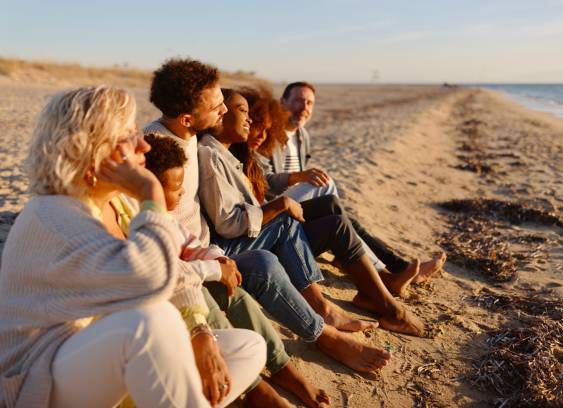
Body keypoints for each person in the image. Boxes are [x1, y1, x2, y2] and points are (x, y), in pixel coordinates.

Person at [0, 86, 265, 408]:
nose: (143, 144)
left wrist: (200, 333)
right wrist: (151, 193)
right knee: (150, 321)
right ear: (90, 149)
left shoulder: (116, 203)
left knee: (246, 347)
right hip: (38, 378)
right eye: (128, 136)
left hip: (96, 358)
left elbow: (170, 268)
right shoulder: (55, 215)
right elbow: (154, 280)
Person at [144, 58, 391, 374]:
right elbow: (160, 227)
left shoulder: (189, 134)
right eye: (218, 106)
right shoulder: (161, 152)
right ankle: (324, 332)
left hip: (206, 246)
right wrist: (212, 260)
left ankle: (331, 311)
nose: (223, 112)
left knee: (313, 215)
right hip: (192, 256)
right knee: (266, 259)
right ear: (189, 117)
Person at [199, 88, 427, 338]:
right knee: (292, 217)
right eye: (243, 111)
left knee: (334, 213)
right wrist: (279, 205)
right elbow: (228, 224)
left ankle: (379, 290)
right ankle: (336, 307)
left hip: (255, 235)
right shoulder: (211, 156)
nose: (251, 121)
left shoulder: (231, 155)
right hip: (237, 246)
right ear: (219, 114)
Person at [139, 133, 330, 407]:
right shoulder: (142, 220)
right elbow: (169, 272)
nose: (181, 193)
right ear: (151, 187)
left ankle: (282, 367)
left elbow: (189, 243)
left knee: (235, 295)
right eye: (176, 187)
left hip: (196, 273)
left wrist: (219, 260)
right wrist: (214, 269)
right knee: (208, 300)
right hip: (161, 304)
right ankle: (256, 388)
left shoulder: (164, 216)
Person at [253, 83, 447, 286]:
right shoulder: (267, 133)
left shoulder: (302, 136)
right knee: (325, 187)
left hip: (297, 205)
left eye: (309, 103)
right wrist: (296, 177)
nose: (304, 107)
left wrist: (302, 180)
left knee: (345, 219)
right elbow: (262, 182)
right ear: (282, 102)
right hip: (273, 208)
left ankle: (398, 268)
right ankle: (387, 271)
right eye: (298, 101)